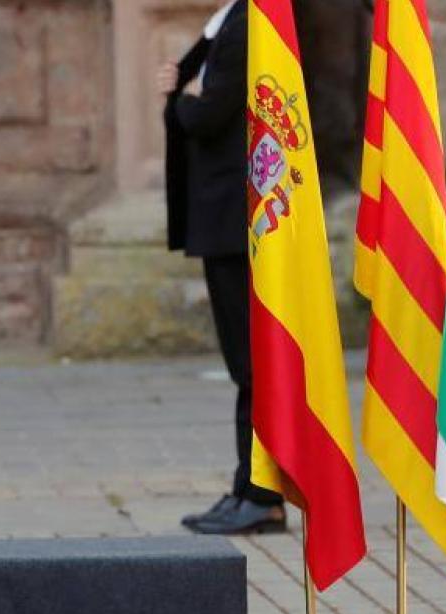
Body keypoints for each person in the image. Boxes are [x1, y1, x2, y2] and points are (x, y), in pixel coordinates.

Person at [157, 0, 287, 535]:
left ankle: (261, 494)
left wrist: (179, 99)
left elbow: (210, 115)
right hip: (228, 221)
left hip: (236, 222)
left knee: (250, 364)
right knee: (245, 365)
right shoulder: (233, 21)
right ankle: (248, 486)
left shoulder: (248, 25)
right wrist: (184, 83)